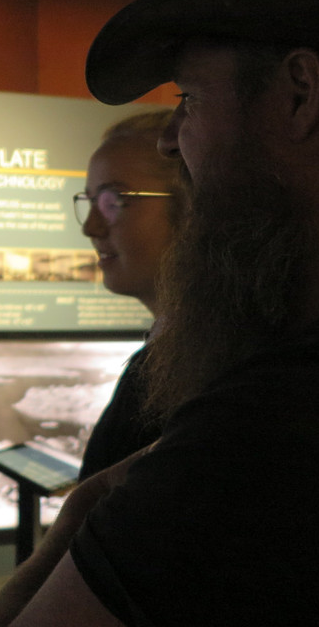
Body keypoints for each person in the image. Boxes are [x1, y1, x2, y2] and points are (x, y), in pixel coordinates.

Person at [0, 0, 319, 626]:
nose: (170, 141)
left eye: (189, 99)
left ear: (299, 92)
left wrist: (74, 528)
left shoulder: (278, 429)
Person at [73, 110, 185, 481]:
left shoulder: (204, 372)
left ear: (191, 206)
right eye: (90, 202)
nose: (91, 227)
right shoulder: (166, 362)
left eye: (113, 201)